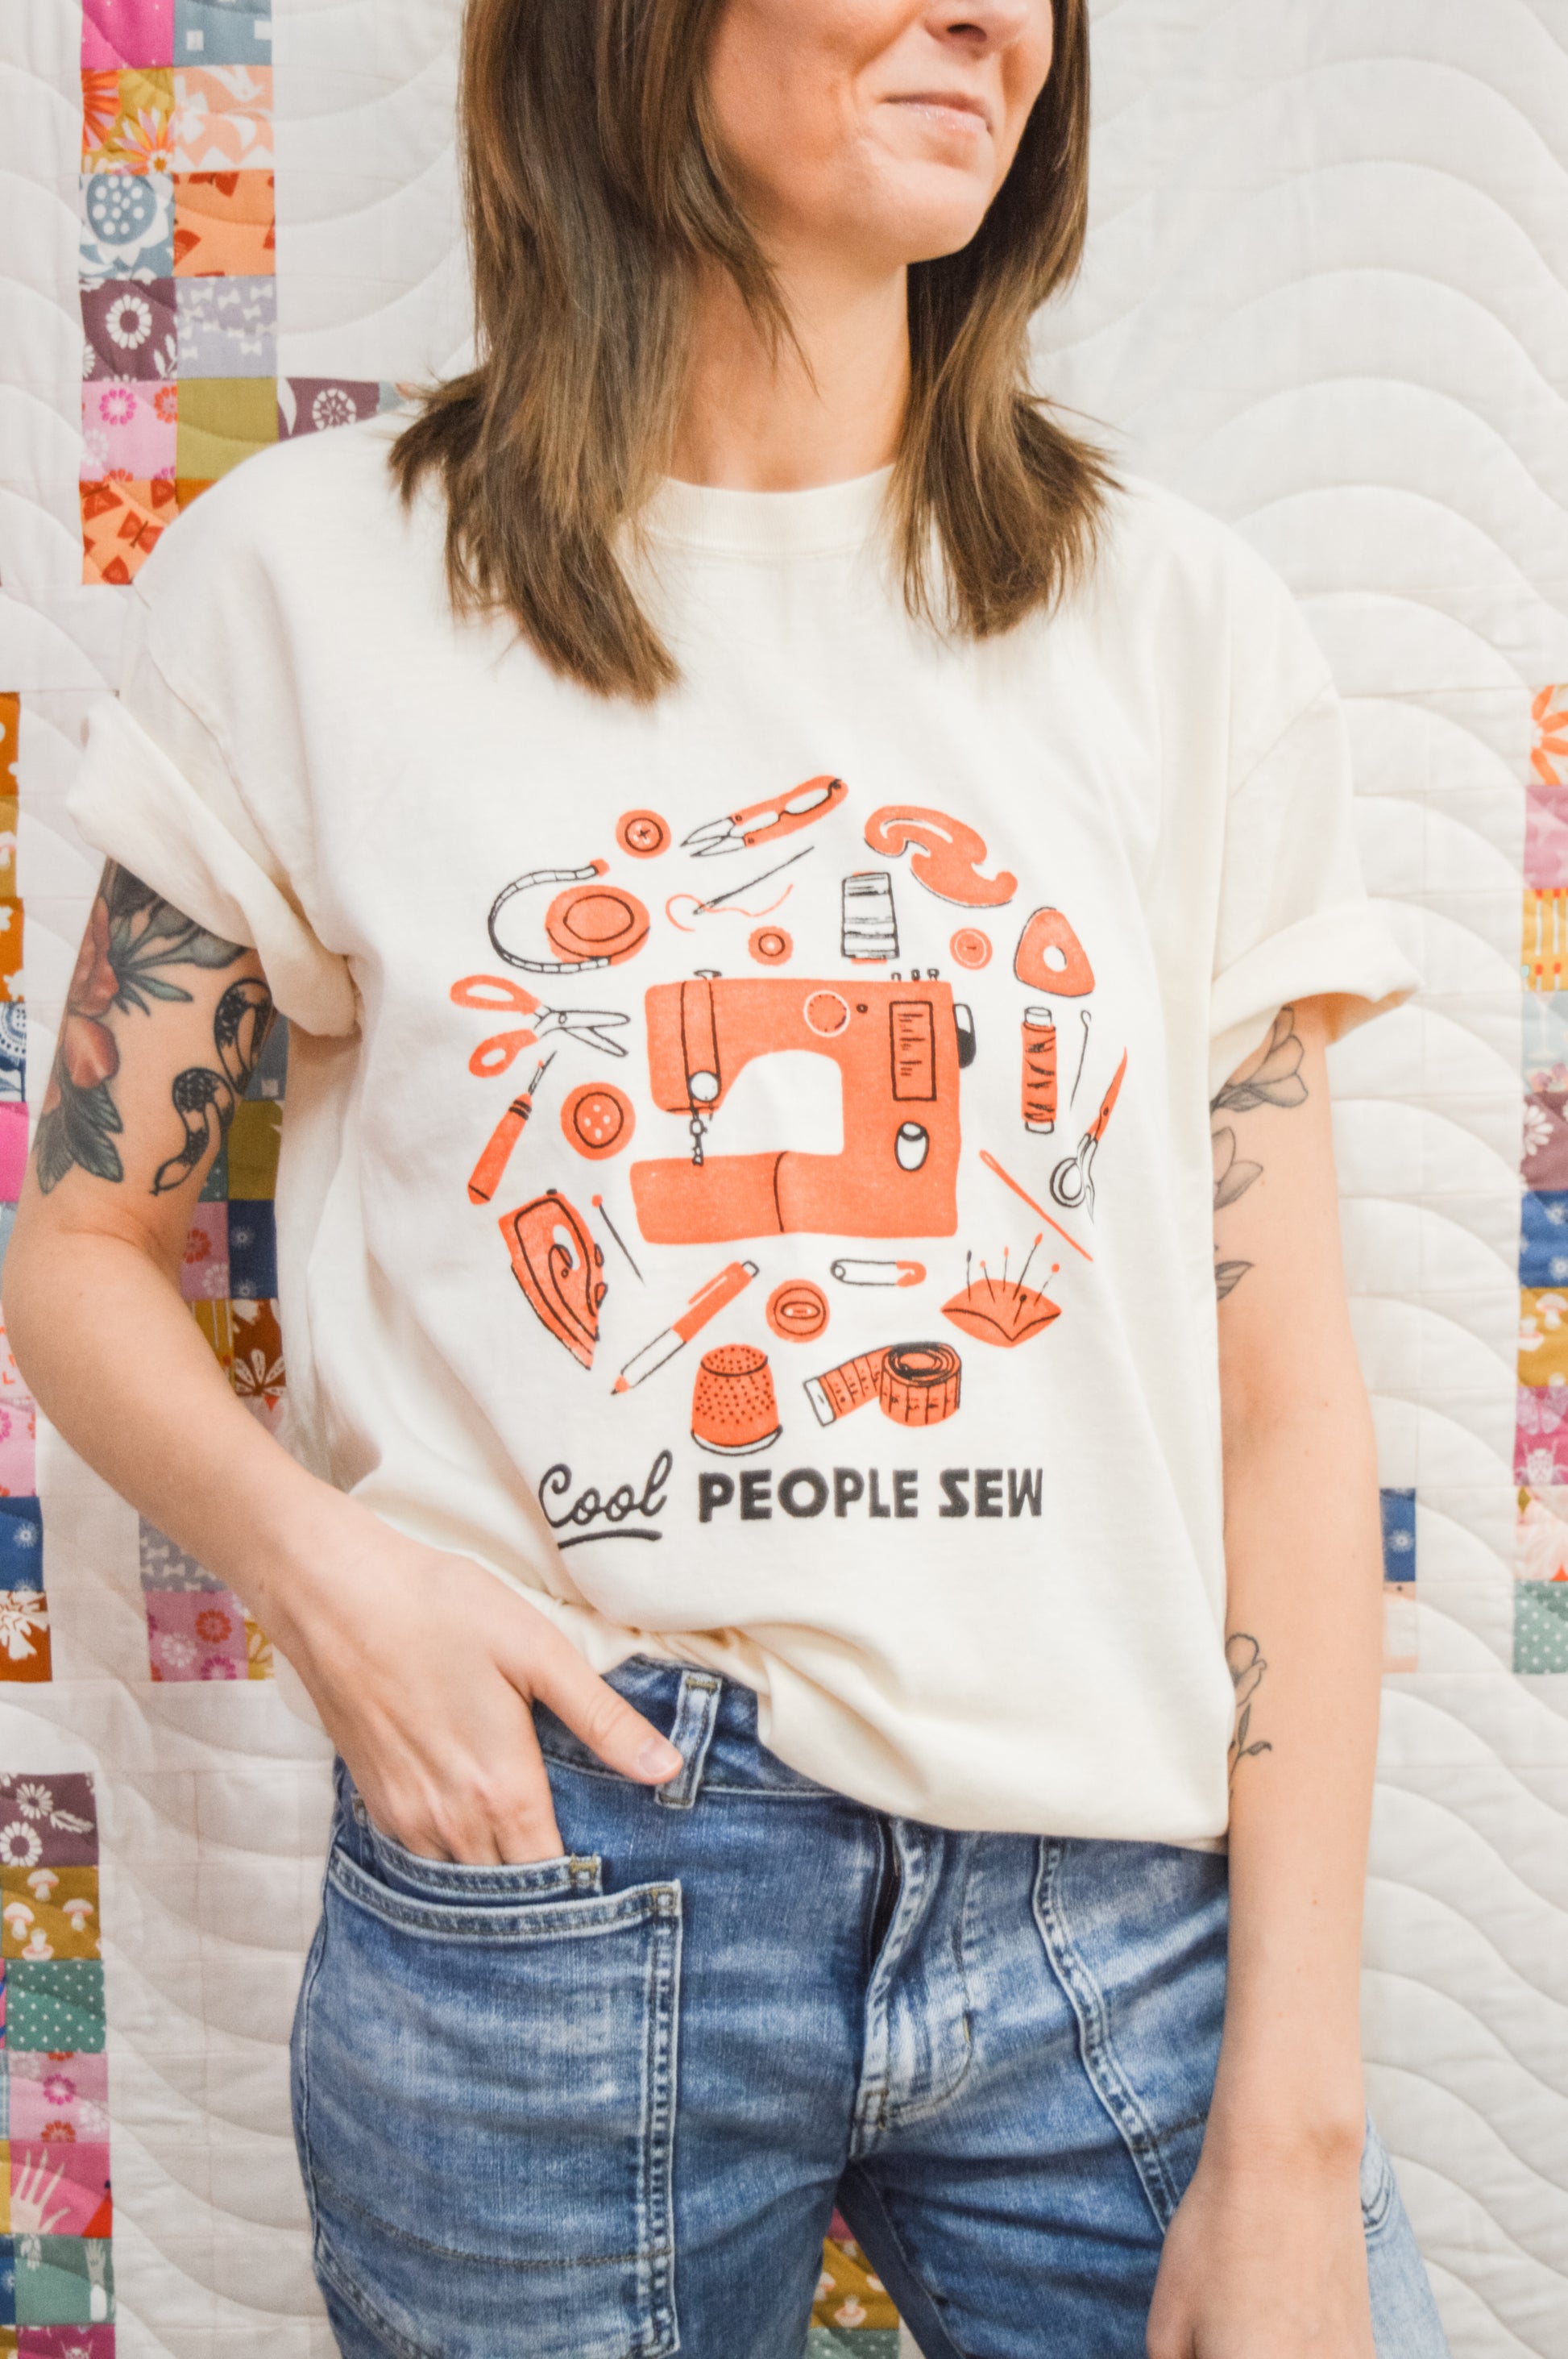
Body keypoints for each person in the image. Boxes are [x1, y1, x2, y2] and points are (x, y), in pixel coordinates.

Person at [6, 2, 1450, 2353]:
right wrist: (327, 1576)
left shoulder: (1178, 625)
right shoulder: (306, 584)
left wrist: (1291, 2113)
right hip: (551, 1870)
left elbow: (1280, 1394)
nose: (991, 18)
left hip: (1118, 1898)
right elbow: (80, 1246)